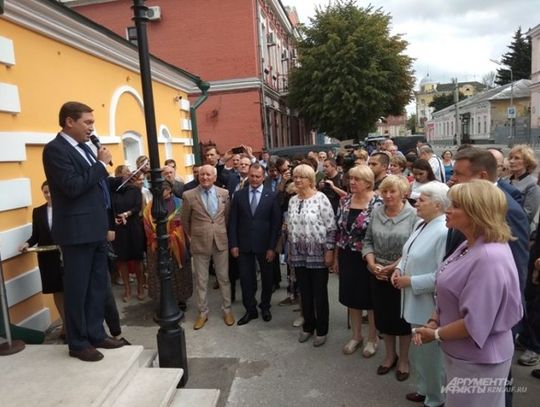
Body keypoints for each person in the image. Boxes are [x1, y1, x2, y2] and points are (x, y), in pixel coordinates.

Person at [414, 180, 523, 407]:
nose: (447, 209)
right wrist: (435, 319)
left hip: (479, 360)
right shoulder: (469, 244)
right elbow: (447, 288)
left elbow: (476, 322)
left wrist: (434, 335)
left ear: (476, 212)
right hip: (462, 353)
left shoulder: (488, 257)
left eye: (455, 205)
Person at [42, 101, 124, 362]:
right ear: (69, 121)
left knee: (98, 286)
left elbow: (94, 185)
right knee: (78, 289)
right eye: (87, 122)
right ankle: (77, 342)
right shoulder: (55, 150)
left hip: (96, 229)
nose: (92, 127)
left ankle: (95, 333)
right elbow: (72, 186)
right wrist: (100, 165)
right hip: (76, 232)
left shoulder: (85, 149)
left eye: (92, 122)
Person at [391, 182, 449, 406]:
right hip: (412, 300)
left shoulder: (443, 231)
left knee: (432, 357)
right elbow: (408, 254)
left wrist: (410, 281)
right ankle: (425, 389)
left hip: (428, 305)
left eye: (422, 200)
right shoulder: (421, 224)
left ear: (437, 205)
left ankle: (436, 398)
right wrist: (398, 269)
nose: (416, 203)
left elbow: (441, 275)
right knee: (419, 355)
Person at [363, 175, 417, 380]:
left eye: (392, 191)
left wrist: (393, 267)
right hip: (377, 273)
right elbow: (367, 241)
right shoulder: (376, 212)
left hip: (400, 274)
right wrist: (372, 264)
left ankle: (403, 359)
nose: (387, 195)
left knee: (402, 320)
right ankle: (389, 355)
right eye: (384, 191)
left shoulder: (413, 215)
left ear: (403, 193)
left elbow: (413, 248)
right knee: (383, 317)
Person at [333, 166, 381, 357]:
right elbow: (340, 232)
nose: (351, 182)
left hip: (368, 257)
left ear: (368, 182)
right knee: (352, 298)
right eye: (350, 178)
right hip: (347, 256)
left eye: (357, 179)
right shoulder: (345, 201)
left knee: (370, 300)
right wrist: (336, 258)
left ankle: (372, 338)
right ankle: (356, 336)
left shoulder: (378, 203)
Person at [287, 164, 336, 347]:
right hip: (299, 255)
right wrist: (291, 253)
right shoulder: (292, 201)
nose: (298, 180)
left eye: (302, 177)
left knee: (319, 294)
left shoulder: (320, 198)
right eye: (295, 177)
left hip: (317, 254)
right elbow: (290, 229)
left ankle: (322, 330)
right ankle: (308, 326)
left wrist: (329, 251)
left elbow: (331, 228)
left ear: (311, 180)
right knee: (304, 293)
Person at [181, 164, 235, 329]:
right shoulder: (188, 195)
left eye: (208, 175)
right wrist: (194, 236)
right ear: (198, 176)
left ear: (214, 177)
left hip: (220, 241)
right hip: (199, 242)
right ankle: (202, 313)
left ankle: (227, 310)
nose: (205, 177)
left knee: (224, 278)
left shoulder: (224, 194)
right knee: (202, 281)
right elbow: (185, 221)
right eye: (202, 174)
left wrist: (217, 231)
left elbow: (227, 217)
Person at [228, 163, 282, 325]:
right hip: (243, 245)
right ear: (248, 175)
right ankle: (250, 310)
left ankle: (265, 306)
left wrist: (272, 247)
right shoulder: (239, 195)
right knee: (246, 278)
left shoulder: (271, 196)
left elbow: (276, 224)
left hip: (265, 245)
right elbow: (233, 222)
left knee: (267, 278)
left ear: (263, 177)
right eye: (252, 176)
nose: (254, 179)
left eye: (258, 176)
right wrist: (234, 244)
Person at [19, 181, 65, 338]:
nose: (48, 194)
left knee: (71, 290)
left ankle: (75, 324)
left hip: (67, 256)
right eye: (45, 192)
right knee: (57, 291)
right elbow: (35, 236)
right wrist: (26, 244)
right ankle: (66, 325)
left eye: (51, 191)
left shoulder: (67, 208)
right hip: (47, 258)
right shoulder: (38, 212)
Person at [144, 180, 192, 310]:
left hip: (177, 245)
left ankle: (181, 299)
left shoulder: (180, 204)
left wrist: (172, 236)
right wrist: (155, 236)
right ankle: (161, 300)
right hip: (157, 245)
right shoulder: (150, 206)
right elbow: (147, 224)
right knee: (159, 273)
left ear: (170, 190)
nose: (160, 192)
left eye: (163, 190)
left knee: (179, 272)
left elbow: (184, 224)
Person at [112, 171, 146, 302]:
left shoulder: (135, 190)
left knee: (137, 258)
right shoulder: (113, 192)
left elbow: (138, 207)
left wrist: (126, 214)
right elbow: (110, 208)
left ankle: (140, 287)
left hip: (133, 226)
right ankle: (127, 289)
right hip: (119, 228)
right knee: (122, 259)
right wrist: (114, 218)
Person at [506, 144, 540, 225]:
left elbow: (527, 215)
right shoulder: (505, 180)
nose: (511, 161)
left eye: (516, 158)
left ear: (527, 163)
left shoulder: (533, 184)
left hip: (517, 229)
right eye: (510, 158)